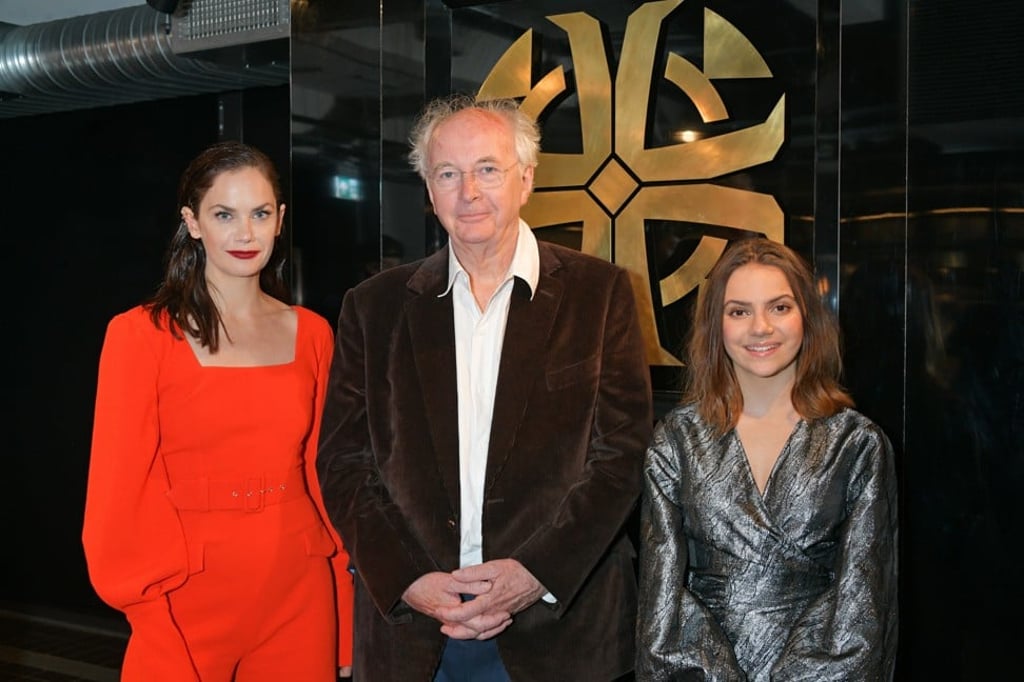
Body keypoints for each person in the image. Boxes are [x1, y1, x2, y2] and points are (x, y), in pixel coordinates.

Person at [316, 93, 653, 681]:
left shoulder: (598, 295)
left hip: (560, 631)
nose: (468, 192)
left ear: (525, 179)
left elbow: (621, 457)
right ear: (428, 189)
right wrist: (407, 579)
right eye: (448, 173)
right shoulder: (373, 308)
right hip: (417, 633)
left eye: (487, 170)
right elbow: (345, 462)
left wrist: (536, 573)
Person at [82, 141, 353, 681]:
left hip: (298, 590)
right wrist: (148, 612)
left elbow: (327, 480)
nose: (245, 233)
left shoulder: (314, 332)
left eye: (259, 214)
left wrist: (346, 618)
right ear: (194, 222)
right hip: (184, 597)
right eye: (224, 214)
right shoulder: (140, 335)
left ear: (280, 219)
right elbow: (117, 495)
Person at [636, 237, 898, 681]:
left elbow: (862, 605)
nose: (761, 327)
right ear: (715, 325)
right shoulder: (676, 441)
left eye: (779, 307)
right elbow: (661, 601)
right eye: (739, 311)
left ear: (808, 317)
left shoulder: (857, 445)